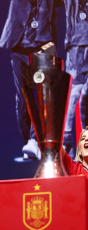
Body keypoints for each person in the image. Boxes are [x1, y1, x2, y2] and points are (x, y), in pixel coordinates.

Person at [0, 0, 62, 161]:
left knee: (43, 95)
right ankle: (29, 142)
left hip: (44, 45)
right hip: (19, 45)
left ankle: (36, 141)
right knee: (23, 99)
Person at [62, 0, 88, 159]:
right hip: (76, 45)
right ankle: (67, 139)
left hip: (79, 43)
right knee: (75, 91)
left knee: (80, 91)